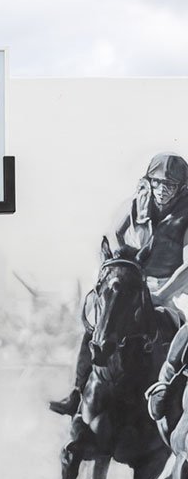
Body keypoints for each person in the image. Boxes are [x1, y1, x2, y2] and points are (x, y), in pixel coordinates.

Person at [51, 152, 188, 416]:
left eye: (169, 186)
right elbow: (113, 235)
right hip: (138, 279)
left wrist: (162, 295)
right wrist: (122, 271)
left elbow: (187, 267)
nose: (161, 191)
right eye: (157, 183)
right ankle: (78, 392)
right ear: (148, 182)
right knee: (99, 318)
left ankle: (172, 393)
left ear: (181, 189)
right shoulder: (135, 204)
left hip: (177, 284)